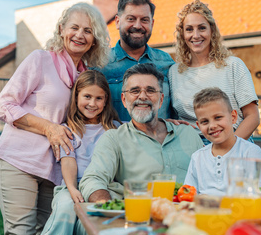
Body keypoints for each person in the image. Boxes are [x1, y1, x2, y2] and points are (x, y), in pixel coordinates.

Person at [0, 2, 110, 235]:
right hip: (19, 162)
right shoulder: (40, 60)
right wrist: (49, 128)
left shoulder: (84, 76)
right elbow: (4, 105)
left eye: (88, 30)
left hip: (54, 170)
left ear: (94, 39)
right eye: (74, 27)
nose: (80, 35)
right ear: (61, 29)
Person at [23, 70, 120, 235]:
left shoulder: (115, 129)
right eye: (87, 96)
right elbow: (68, 161)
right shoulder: (68, 129)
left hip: (101, 189)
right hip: (71, 186)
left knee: (88, 229)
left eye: (98, 98)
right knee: (66, 207)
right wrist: (73, 188)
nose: (92, 103)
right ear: (76, 97)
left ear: (106, 101)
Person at [79, 63, 203, 202]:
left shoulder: (188, 133)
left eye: (150, 90)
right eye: (135, 90)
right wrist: (109, 208)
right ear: (124, 100)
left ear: (161, 99)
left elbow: (209, 178)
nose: (142, 96)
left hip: (190, 218)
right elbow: (92, 179)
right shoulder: (114, 139)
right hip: (140, 218)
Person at [168, 0, 260, 142]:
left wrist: (227, 148)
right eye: (189, 29)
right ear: (182, 34)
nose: (196, 35)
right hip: (192, 147)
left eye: (202, 28)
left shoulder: (232, 66)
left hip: (234, 140)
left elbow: (253, 117)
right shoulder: (174, 72)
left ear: (212, 31)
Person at [99, 0, 175, 121]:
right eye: (131, 19)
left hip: (159, 140)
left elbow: (175, 111)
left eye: (144, 20)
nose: (138, 25)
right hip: (117, 140)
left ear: (152, 23)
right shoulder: (100, 64)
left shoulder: (166, 62)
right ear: (117, 21)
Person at [184, 87, 261, 195]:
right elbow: (188, 194)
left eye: (218, 117)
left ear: (233, 117)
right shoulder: (197, 157)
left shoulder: (250, 152)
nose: (212, 126)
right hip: (205, 210)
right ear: (198, 126)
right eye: (205, 121)